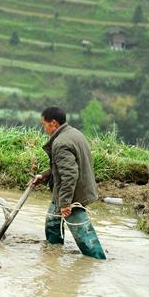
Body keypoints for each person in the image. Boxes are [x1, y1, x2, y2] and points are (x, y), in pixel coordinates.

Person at [32, 106, 107, 259]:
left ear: (53, 123)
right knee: (53, 222)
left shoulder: (61, 143)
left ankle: (97, 260)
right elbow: (63, 168)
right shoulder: (74, 133)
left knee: (83, 233)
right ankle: (53, 253)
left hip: (73, 194)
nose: (43, 127)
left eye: (44, 124)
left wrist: (66, 203)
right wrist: (44, 176)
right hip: (66, 191)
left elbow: (70, 174)